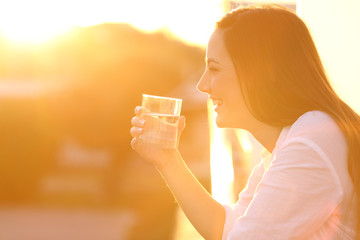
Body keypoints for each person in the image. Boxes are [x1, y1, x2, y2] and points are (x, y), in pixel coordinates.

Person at [130, 4, 360, 240]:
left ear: (256, 72)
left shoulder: (309, 143)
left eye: (214, 68)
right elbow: (226, 227)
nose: (202, 84)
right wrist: (168, 160)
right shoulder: (291, 142)